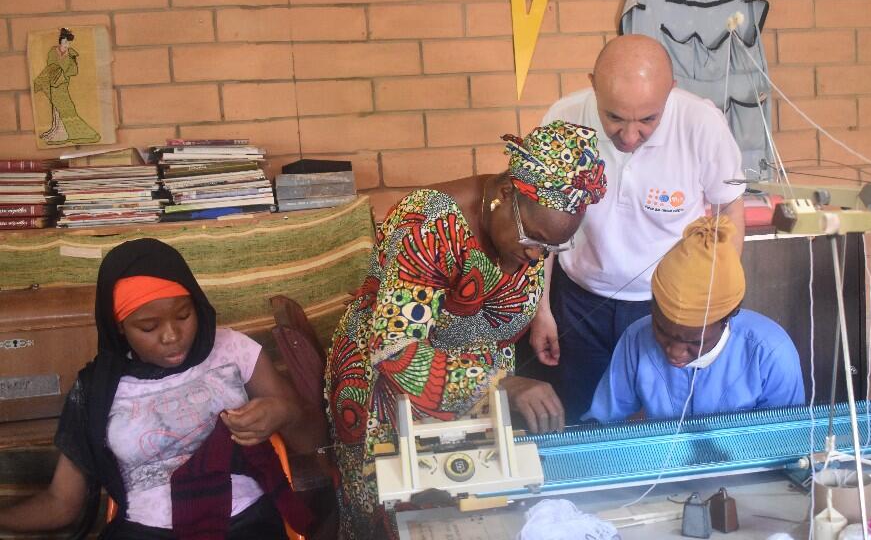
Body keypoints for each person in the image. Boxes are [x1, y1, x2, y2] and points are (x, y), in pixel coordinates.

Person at [325, 120, 608, 540]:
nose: (536, 257)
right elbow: (397, 351)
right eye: (535, 240)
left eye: (552, 248)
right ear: (508, 193)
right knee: (400, 520)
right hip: (385, 394)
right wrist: (501, 386)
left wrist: (538, 317)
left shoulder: (531, 232)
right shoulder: (430, 224)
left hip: (475, 395)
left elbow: (519, 272)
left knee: (473, 520)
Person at [0, 239, 311, 539]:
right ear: (119, 325)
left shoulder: (232, 349)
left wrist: (280, 411)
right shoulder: (95, 390)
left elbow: (304, 424)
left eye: (183, 315)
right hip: (144, 530)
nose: (171, 336)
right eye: (149, 327)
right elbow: (62, 503)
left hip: (244, 523)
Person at [529, 34, 748, 423]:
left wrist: (712, 307)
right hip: (580, 303)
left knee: (666, 424)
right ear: (593, 85)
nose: (629, 137)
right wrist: (541, 308)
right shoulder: (562, 120)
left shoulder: (700, 123)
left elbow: (729, 206)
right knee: (587, 420)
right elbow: (541, 226)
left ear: (670, 93)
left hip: (667, 310)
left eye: (648, 120)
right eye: (613, 118)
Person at [583, 216, 804, 423]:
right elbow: (603, 422)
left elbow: (784, 441)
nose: (675, 352)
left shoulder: (771, 354)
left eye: (694, 343)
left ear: (727, 318)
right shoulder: (636, 339)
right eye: (662, 332)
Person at [32, 27, 101, 145]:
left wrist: (63, 73)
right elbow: (50, 65)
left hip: (63, 83)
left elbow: (74, 70)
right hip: (53, 83)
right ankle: (57, 132)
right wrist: (57, 71)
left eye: (68, 42)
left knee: (68, 107)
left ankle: (69, 133)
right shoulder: (53, 52)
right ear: (60, 41)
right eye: (64, 42)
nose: (66, 44)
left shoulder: (71, 54)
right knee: (57, 108)